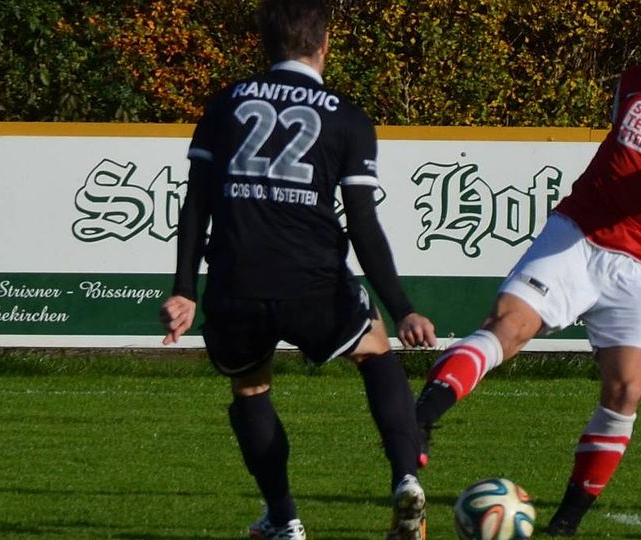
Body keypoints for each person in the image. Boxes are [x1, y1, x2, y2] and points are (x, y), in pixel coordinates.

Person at [412, 0, 641, 536]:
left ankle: (565, 524)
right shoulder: (636, 83)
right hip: (577, 235)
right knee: (508, 327)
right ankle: (418, 422)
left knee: (626, 392)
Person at [159, 1, 436, 539]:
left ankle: (284, 520)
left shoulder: (226, 103)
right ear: (324, 44)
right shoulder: (347, 116)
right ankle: (406, 477)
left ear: (265, 44)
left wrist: (184, 290)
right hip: (312, 280)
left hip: (236, 281)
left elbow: (195, 203)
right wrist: (402, 308)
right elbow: (362, 223)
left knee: (250, 390)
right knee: (374, 351)